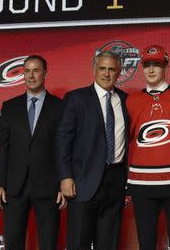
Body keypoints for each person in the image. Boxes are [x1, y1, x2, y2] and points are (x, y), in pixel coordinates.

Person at [126, 45, 170, 250]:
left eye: (156, 65)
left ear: (166, 65)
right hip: (141, 182)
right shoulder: (131, 100)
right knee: (146, 242)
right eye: (147, 65)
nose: (151, 70)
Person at [56, 51, 129, 250]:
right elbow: (63, 140)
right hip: (82, 182)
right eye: (102, 68)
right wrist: (65, 176)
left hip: (115, 182)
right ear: (94, 70)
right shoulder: (75, 98)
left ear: (119, 72)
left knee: (108, 243)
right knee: (78, 242)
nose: (106, 74)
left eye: (111, 69)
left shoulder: (126, 100)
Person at [0, 55, 65, 250]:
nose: (31, 76)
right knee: (13, 244)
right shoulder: (9, 107)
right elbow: (2, 148)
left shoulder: (60, 107)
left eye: (36, 70)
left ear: (45, 73)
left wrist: (63, 183)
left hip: (49, 187)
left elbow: (64, 148)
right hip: (14, 188)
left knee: (48, 243)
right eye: (27, 71)